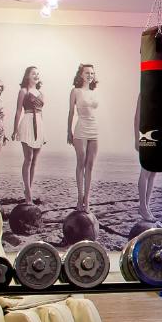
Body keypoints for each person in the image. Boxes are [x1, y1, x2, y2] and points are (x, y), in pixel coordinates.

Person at [67, 64, 99, 212]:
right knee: (81, 163)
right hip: (81, 128)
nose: (90, 75)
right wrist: (69, 131)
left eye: (92, 73)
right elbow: (71, 112)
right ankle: (80, 198)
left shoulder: (94, 91)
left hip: (94, 129)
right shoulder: (75, 91)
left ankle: (87, 199)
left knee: (90, 165)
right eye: (87, 73)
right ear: (81, 74)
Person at [11, 66, 45, 203]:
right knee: (28, 158)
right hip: (27, 122)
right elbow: (18, 111)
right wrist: (15, 129)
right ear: (27, 76)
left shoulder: (41, 93)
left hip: (39, 124)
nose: (36, 76)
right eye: (33, 73)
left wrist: (43, 131)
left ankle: (28, 189)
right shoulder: (23, 91)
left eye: (38, 73)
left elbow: (41, 113)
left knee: (35, 160)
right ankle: (28, 192)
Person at [134, 93, 158, 223]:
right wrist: (136, 138)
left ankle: (146, 206)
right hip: (146, 133)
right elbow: (137, 117)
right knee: (145, 171)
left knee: (153, 172)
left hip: (157, 133)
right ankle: (142, 206)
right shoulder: (144, 92)